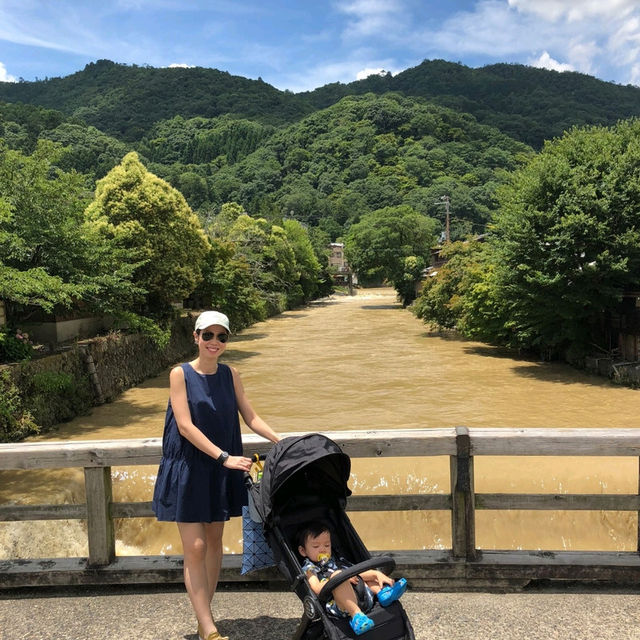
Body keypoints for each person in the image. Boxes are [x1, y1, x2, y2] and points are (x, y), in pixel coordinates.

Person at [152, 310, 280, 640]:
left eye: (221, 336)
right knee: (194, 546)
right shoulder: (179, 374)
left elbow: (251, 418)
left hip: (222, 468)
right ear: (195, 337)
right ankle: (209, 628)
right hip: (192, 468)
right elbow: (184, 425)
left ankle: (203, 616)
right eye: (207, 335)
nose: (214, 342)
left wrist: (285, 442)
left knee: (214, 541)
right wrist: (223, 457)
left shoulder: (231, 374)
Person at [297, 522, 408, 636]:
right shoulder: (310, 568)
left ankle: (383, 594)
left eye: (327, 545)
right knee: (338, 576)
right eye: (316, 546)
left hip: (363, 597)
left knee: (360, 573)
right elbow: (316, 589)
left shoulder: (335, 561)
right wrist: (339, 578)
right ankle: (356, 617)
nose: (322, 550)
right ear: (303, 551)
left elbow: (357, 573)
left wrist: (375, 574)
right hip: (341, 605)